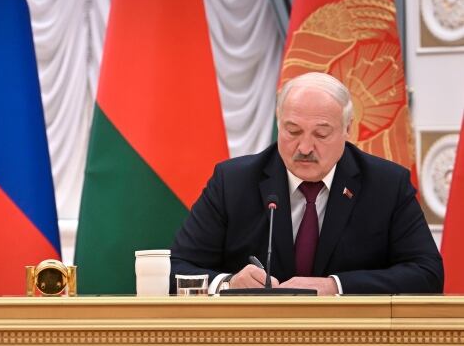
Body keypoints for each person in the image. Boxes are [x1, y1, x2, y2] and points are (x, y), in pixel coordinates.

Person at [171, 72, 443, 295]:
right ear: (279, 123)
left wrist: (335, 286)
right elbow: (176, 268)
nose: (304, 147)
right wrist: (228, 283)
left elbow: (427, 274)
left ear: (348, 129)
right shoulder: (233, 182)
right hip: (253, 344)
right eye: (292, 131)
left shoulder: (387, 185)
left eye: (321, 134)